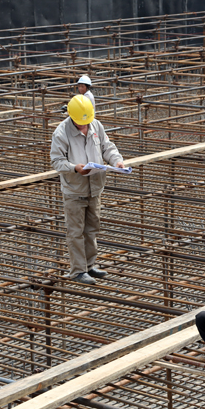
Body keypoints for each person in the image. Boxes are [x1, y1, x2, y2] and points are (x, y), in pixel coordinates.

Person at [50, 94, 125, 285]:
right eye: (80, 123)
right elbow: (56, 161)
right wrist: (75, 167)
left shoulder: (95, 125)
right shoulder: (61, 133)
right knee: (75, 231)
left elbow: (107, 147)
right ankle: (77, 271)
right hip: (75, 189)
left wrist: (117, 161)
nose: (84, 126)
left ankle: (90, 266)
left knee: (92, 229)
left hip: (95, 187)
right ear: (72, 117)